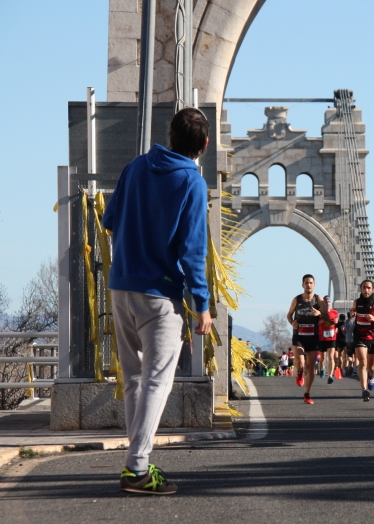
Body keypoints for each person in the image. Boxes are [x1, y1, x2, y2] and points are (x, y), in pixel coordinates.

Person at [102, 107, 212, 495]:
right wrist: (202, 304)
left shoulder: (134, 167)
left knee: (134, 377)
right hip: (160, 295)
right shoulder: (192, 182)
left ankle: (137, 463)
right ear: (205, 144)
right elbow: (193, 251)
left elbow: (109, 221)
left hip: (121, 286)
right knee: (157, 381)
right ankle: (136, 468)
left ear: (170, 135)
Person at [286, 274, 322, 403]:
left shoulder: (318, 299)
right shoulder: (297, 299)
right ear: (303, 285)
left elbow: (327, 316)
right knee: (301, 363)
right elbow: (289, 315)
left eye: (311, 283)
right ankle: (300, 372)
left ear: (314, 285)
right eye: (306, 283)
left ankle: (307, 394)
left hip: (313, 337)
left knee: (310, 366)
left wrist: (320, 313)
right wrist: (292, 322)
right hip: (299, 336)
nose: (308, 285)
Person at [319, 296, 339, 384]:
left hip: (332, 338)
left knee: (331, 357)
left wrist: (336, 321)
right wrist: (324, 320)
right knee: (322, 357)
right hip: (322, 338)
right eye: (325, 302)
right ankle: (322, 368)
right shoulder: (320, 313)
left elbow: (337, 321)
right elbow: (317, 323)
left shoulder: (334, 312)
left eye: (328, 301)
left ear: (330, 303)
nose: (327, 303)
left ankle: (330, 375)